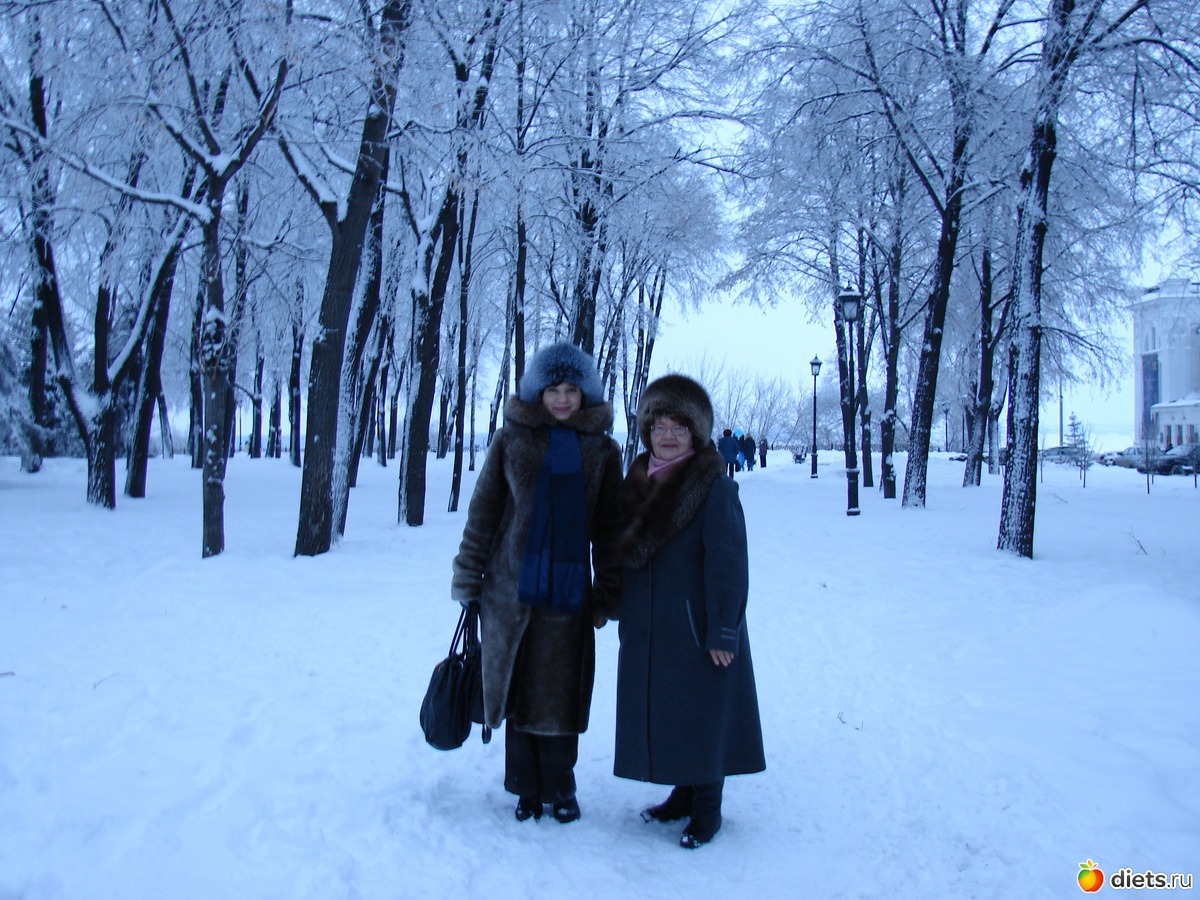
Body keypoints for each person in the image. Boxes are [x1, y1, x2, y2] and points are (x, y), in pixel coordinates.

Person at [451, 341, 622, 825]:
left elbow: (610, 528)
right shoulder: (511, 441)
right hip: (510, 592)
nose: (562, 399)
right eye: (553, 390)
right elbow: (483, 514)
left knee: (561, 695)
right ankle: (525, 788)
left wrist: (608, 592)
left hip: (569, 598)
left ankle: (561, 787)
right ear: (537, 393)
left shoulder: (602, 451)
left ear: (585, 394)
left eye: (571, 390)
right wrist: (468, 576)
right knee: (519, 690)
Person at [612, 375, 765, 849]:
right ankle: (682, 793)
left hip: (697, 628)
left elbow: (729, 565)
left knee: (704, 714)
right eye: (659, 426)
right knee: (672, 714)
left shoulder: (714, 488)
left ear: (696, 434)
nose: (668, 435)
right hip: (651, 627)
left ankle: (707, 809)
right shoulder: (636, 483)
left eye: (679, 427)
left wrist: (723, 631)